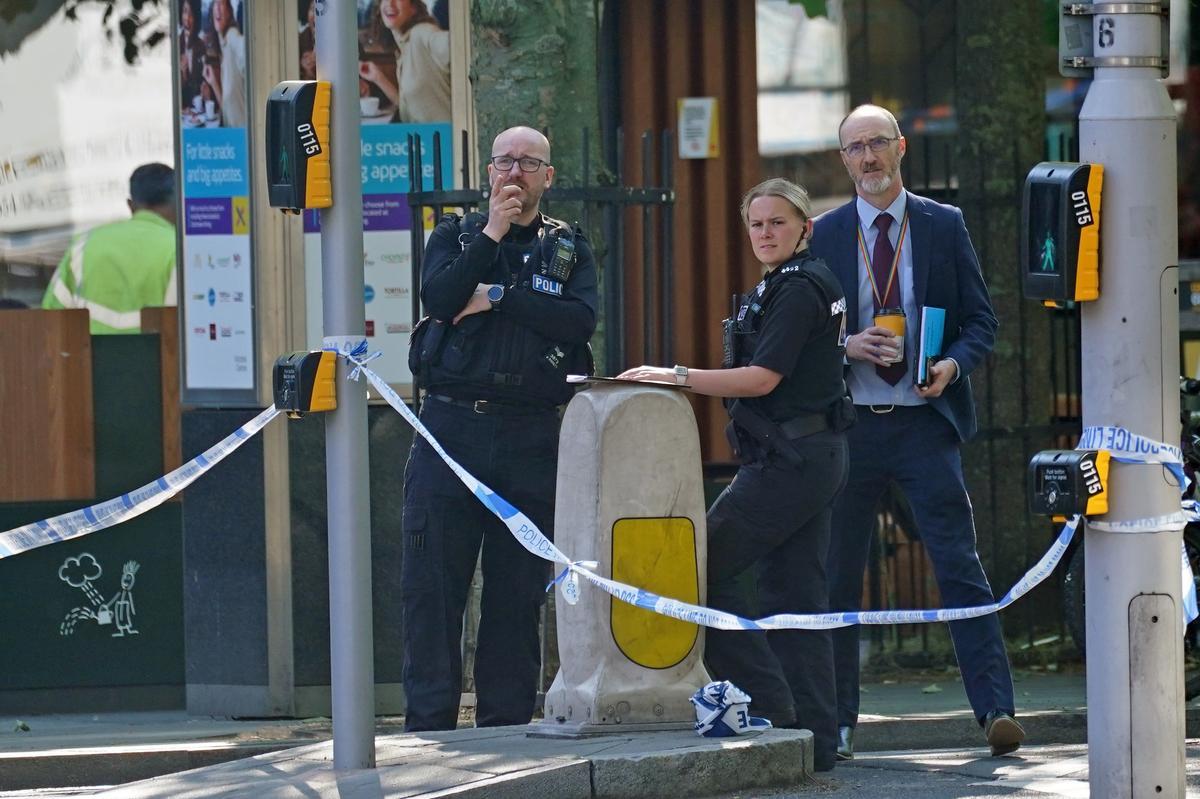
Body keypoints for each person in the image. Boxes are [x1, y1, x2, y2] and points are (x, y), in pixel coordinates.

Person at [808, 104, 1023, 759]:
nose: (868, 158)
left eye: (878, 144)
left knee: (960, 567)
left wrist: (953, 363)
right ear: (843, 159)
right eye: (855, 148)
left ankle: (996, 712)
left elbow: (981, 321)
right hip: (850, 432)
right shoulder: (822, 233)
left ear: (900, 147)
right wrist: (846, 345)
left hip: (925, 426)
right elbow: (798, 334)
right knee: (837, 578)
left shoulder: (942, 224)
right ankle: (837, 723)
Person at [619, 178, 853, 772]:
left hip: (790, 462)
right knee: (795, 600)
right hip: (805, 455)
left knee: (700, 577)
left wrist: (675, 375)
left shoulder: (800, 289)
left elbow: (762, 378)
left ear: (805, 227)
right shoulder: (791, 284)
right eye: (756, 224)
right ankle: (814, 740)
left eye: (778, 222)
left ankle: (775, 714)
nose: (765, 233)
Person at [401, 126, 597, 731]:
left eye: (528, 163)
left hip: (529, 434)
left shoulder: (568, 249)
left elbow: (578, 322)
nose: (514, 173)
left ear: (548, 176)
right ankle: (428, 725)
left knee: (516, 593)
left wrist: (499, 297)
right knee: (433, 589)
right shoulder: (456, 235)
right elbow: (440, 298)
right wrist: (490, 237)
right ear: (489, 172)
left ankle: (508, 727)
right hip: (451, 430)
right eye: (504, 162)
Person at [42, 163, 177, 335]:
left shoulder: (85, 243)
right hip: (161, 357)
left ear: (130, 204)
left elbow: (51, 314)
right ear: (178, 201)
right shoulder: (179, 248)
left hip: (88, 358)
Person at [358, 0, 451, 123]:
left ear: (414, 7)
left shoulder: (423, 33)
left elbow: (457, 45)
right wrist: (378, 78)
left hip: (445, 139)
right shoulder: (403, 47)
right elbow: (408, 109)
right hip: (423, 139)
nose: (390, 3)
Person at [202, 0, 246, 128]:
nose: (218, 8)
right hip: (233, 139)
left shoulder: (232, 36)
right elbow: (227, 109)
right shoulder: (223, 47)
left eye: (222, 4)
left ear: (229, 12)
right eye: (215, 4)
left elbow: (243, 50)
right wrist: (213, 83)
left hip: (245, 138)